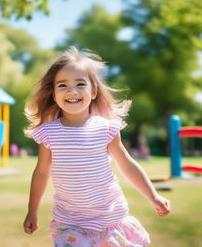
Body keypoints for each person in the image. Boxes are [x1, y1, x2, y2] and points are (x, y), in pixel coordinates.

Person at [23, 47, 170, 247]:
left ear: (93, 91)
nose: (72, 91)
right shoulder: (48, 133)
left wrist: (153, 196)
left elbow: (127, 165)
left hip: (110, 219)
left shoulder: (106, 129)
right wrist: (32, 210)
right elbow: (41, 172)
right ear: (54, 94)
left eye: (80, 84)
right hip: (70, 223)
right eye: (62, 85)